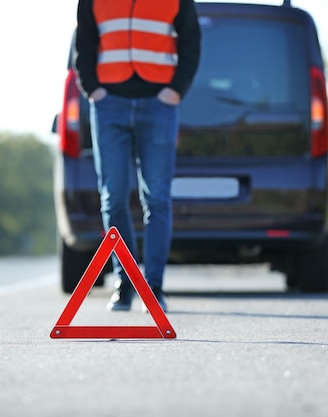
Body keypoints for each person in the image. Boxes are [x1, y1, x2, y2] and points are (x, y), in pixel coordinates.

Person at [73, 0, 201, 312]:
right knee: (113, 198)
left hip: (159, 105)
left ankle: (154, 288)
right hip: (109, 104)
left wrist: (176, 89)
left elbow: (191, 41)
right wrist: (93, 89)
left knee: (157, 198)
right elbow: (84, 43)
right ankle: (127, 282)